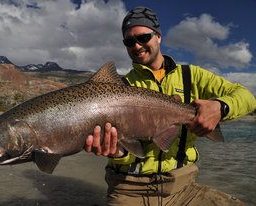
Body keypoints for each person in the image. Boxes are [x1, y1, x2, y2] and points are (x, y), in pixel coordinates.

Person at [85, 6, 256, 206]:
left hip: (185, 189)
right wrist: (117, 153)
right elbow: (126, 152)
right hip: (128, 190)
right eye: (129, 41)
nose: (137, 46)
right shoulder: (118, 88)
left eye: (143, 38)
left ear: (158, 36)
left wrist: (220, 107)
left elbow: (247, 97)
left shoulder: (193, 76)